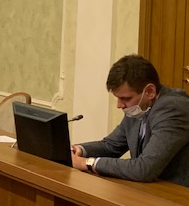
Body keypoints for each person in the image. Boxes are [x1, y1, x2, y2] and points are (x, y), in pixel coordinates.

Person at [71, 54, 189, 187]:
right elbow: (110, 146)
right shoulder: (139, 108)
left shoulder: (173, 108)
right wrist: (79, 150)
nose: (119, 105)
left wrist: (87, 163)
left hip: (178, 194)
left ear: (150, 91)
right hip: (151, 189)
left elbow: (144, 168)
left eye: (125, 98)